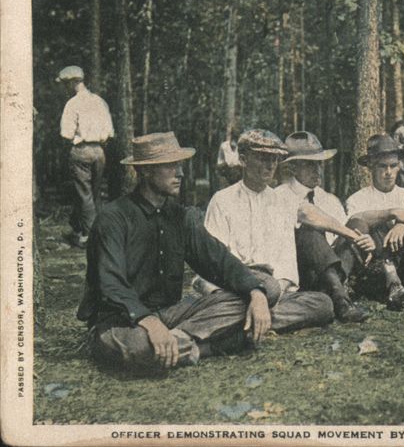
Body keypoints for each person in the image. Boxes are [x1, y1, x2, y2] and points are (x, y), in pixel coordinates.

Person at [77, 132, 305, 373]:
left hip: (173, 316)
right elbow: (110, 284)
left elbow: (219, 261)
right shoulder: (113, 218)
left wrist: (256, 294)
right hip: (121, 321)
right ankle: (212, 345)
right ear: (144, 171)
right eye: (171, 166)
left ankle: (177, 344)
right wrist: (149, 322)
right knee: (141, 348)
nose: (180, 173)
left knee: (266, 287)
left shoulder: (179, 217)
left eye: (180, 165)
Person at [203, 129, 335, 330]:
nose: (270, 165)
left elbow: (286, 262)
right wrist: (252, 290)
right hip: (234, 286)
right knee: (262, 289)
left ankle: (246, 322)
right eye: (263, 158)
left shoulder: (281, 202)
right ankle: (253, 320)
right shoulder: (222, 200)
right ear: (244, 160)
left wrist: (273, 292)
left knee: (323, 304)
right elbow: (212, 260)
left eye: (274, 159)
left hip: (274, 292)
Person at [275, 131, 373, 322]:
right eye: (310, 164)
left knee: (358, 222)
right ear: (294, 167)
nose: (317, 170)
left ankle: (335, 291)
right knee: (308, 231)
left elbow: (344, 237)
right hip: (302, 272)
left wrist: (362, 239)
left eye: (319, 163)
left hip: (331, 272)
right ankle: (341, 300)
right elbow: (306, 213)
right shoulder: (280, 195)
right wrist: (352, 235)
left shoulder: (328, 199)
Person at [345, 134, 404, 309]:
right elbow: (355, 221)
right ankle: (393, 284)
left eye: (393, 166)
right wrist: (392, 213)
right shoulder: (358, 199)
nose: (388, 172)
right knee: (377, 219)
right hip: (376, 269)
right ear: (371, 167)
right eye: (382, 166)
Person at [57, 65, 114, 248]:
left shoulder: (72, 104)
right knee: (93, 194)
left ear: (73, 83)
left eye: (66, 84)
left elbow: (66, 134)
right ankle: (78, 228)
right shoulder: (99, 101)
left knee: (85, 195)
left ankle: (89, 236)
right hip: (99, 151)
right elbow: (109, 131)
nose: (65, 88)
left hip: (81, 150)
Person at [216, 124, 243, 188]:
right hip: (227, 174)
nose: (235, 139)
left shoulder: (242, 147)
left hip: (238, 175)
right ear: (231, 135)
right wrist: (225, 165)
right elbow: (219, 163)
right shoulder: (224, 146)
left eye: (237, 137)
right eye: (234, 136)